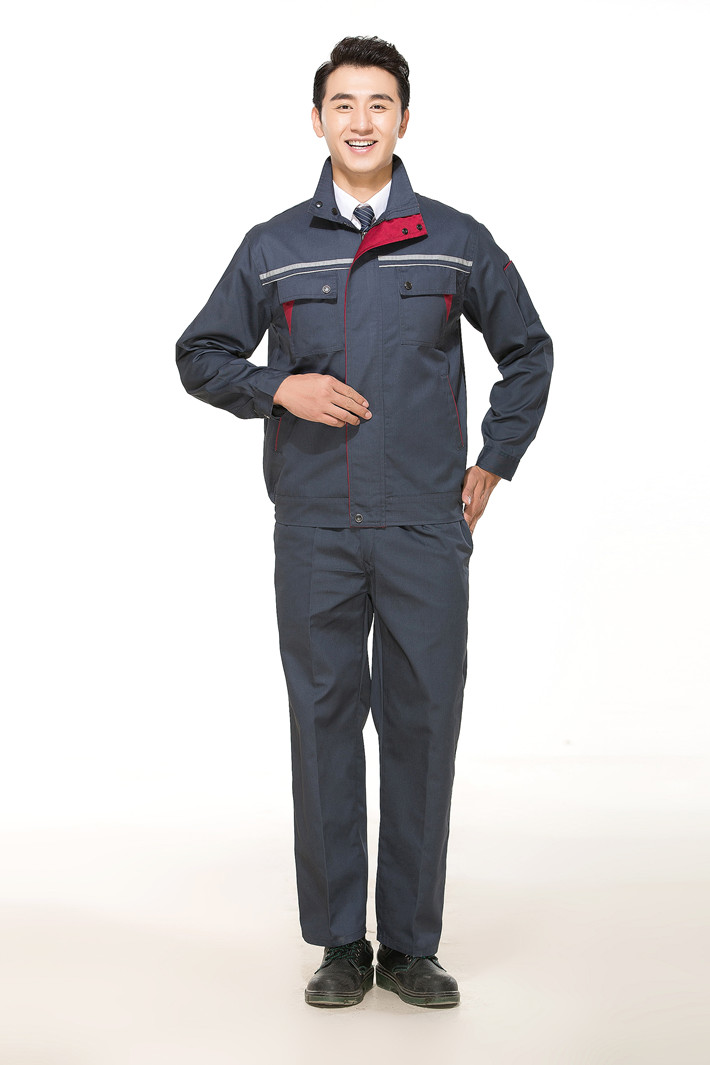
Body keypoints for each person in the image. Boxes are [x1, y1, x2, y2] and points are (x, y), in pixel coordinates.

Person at [176, 36, 553, 1010]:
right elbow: (200, 352)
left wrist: (493, 459)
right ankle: (342, 943)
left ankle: (412, 946)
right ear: (317, 120)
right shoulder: (273, 246)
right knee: (324, 728)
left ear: (403, 119)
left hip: (424, 523)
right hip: (314, 527)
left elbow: (527, 349)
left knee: (422, 727)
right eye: (342, 103)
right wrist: (278, 387)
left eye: (378, 103)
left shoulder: (454, 238)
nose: (359, 120)